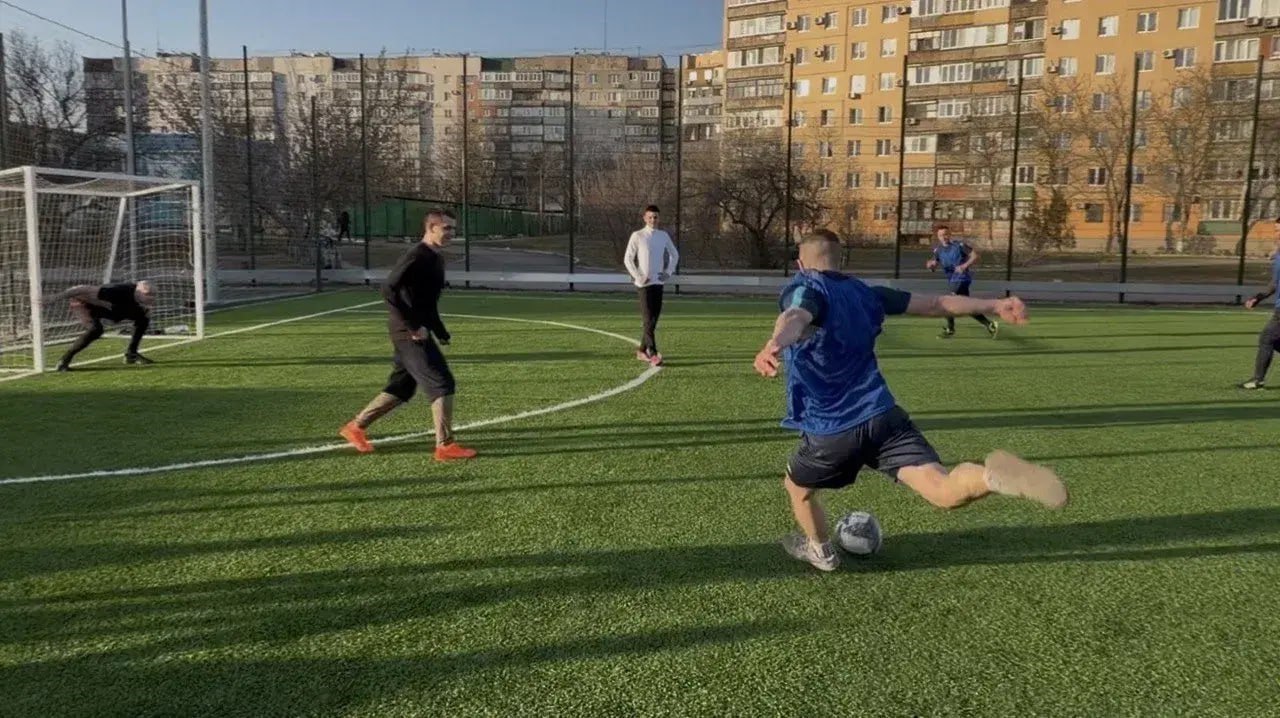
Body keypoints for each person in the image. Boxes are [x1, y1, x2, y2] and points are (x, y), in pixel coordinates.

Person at [754, 229, 1068, 572]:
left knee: (797, 489)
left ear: (801, 263)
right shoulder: (867, 293)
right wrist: (994, 304)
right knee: (942, 489)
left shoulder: (805, 287)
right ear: (840, 260)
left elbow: (796, 315)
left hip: (831, 428)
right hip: (883, 417)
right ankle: (990, 478)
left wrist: (774, 343)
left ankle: (822, 553)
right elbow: (936, 304)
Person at [339, 210, 477, 462]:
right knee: (442, 383)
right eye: (446, 228)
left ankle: (355, 427)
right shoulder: (416, 255)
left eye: (453, 229)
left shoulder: (435, 258)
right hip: (408, 332)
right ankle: (445, 446)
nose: (451, 233)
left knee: (402, 386)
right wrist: (413, 326)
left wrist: (440, 331)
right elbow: (388, 289)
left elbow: (427, 302)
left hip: (417, 330)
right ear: (431, 228)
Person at [52, 281, 156, 371]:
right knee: (96, 330)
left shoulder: (135, 294)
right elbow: (82, 292)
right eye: (147, 294)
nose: (151, 297)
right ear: (138, 290)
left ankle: (131, 354)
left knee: (143, 318)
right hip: (84, 304)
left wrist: (142, 309)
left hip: (108, 307)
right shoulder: (114, 291)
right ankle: (64, 360)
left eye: (153, 294)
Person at [623, 204, 679, 366]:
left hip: (658, 282)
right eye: (650, 217)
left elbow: (674, 254)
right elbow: (628, 259)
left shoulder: (663, 235)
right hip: (644, 285)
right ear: (644, 218)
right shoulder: (638, 235)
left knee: (653, 320)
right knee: (648, 319)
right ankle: (653, 353)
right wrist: (638, 276)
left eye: (655, 217)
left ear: (659, 218)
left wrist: (668, 272)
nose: (653, 220)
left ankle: (641, 350)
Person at [925, 225, 998, 339]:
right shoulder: (938, 250)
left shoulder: (959, 246)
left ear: (949, 234)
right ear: (938, 236)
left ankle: (950, 329)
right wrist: (931, 266)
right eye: (941, 235)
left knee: (947, 302)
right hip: (952, 280)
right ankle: (989, 325)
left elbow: (974, 256)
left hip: (962, 278)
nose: (944, 237)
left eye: (946, 234)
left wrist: (964, 266)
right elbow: (933, 265)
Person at [1239, 218, 1280, 389]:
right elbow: (1275, 283)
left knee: (1267, 338)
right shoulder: (1278, 254)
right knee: (1273, 340)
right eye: (1276, 230)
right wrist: (1259, 297)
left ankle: (1258, 380)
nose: (1277, 234)